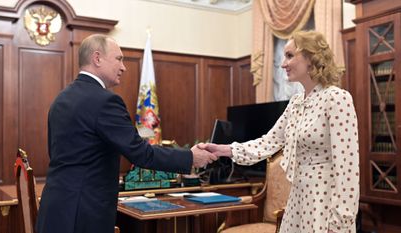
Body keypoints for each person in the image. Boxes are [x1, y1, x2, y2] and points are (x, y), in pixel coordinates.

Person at [36, 34, 216, 233]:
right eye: (119, 59)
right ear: (97, 58)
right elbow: (141, 153)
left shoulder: (61, 99)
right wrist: (190, 157)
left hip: (55, 209)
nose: (124, 67)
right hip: (83, 213)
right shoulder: (105, 101)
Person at [199, 30, 359, 233]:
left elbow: (347, 169)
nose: (283, 63)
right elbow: (268, 143)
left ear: (311, 58)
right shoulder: (296, 103)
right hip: (298, 200)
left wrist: (339, 222)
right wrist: (224, 150)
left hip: (324, 205)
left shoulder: (337, 99)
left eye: (290, 56)